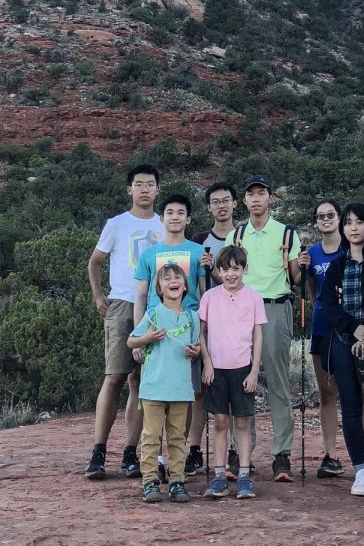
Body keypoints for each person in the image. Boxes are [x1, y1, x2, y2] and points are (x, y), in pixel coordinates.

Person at [85, 164, 164, 480]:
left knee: (142, 383)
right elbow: (95, 261)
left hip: (156, 308)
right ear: (129, 189)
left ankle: (132, 453)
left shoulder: (165, 224)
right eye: (139, 184)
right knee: (115, 376)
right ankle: (98, 452)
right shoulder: (116, 224)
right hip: (122, 304)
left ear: (158, 189)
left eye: (150, 184)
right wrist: (98, 295)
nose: (145, 189)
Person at [225, 175, 304, 482]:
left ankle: (281, 455)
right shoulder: (238, 234)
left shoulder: (286, 233)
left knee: (278, 382)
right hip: (241, 310)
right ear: (244, 201)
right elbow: (230, 275)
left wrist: (303, 264)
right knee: (240, 380)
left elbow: (295, 278)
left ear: (271, 198)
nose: (256, 199)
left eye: (261, 193)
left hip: (275, 307)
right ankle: (239, 452)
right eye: (251, 194)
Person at [134, 194, 209, 482]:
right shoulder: (149, 254)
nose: (175, 217)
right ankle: (154, 466)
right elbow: (141, 296)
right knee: (156, 394)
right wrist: (138, 337)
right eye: (170, 212)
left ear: (189, 218)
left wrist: (202, 337)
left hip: (187, 331)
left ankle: (185, 456)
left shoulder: (198, 251)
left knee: (186, 393)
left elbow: (203, 295)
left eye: (181, 212)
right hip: (156, 333)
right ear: (162, 218)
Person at [319, 203, 364, 496]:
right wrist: (353, 329)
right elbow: (328, 306)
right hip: (343, 343)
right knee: (351, 408)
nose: (353, 227)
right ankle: (361, 470)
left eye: (359, 222)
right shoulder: (337, 266)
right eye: (348, 223)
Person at [128, 263, 200, 503]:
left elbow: (197, 346)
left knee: (178, 436)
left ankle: (177, 481)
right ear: (158, 287)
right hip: (154, 388)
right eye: (166, 278)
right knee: (151, 436)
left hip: (180, 388)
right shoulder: (153, 314)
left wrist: (195, 351)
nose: (173, 280)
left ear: (185, 285)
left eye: (177, 276)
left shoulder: (191, 317)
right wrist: (148, 337)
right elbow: (131, 341)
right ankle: (150, 481)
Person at [199, 246, 267, 499]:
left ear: (245, 269)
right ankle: (219, 476)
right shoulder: (210, 297)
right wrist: (207, 362)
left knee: (242, 421)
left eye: (235, 269)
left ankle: (245, 476)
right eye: (225, 269)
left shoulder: (254, 297)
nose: (230, 274)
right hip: (216, 370)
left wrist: (254, 370)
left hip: (242, 369)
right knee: (219, 421)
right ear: (219, 270)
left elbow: (257, 335)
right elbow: (201, 332)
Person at [185, 182, 239, 477]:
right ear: (208, 207)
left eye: (226, 200)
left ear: (234, 204)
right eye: (215, 201)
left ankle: (234, 451)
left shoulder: (241, 238)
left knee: (234, 382)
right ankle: (194, 449)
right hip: (207, 317)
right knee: (201, 387)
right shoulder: (199, 240)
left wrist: (215, 271)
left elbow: (239, 279)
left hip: (236, 321)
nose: (221, 206)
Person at [307, 199, 344, 478]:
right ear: (316, 223)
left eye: (331, 214)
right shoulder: (312, 254)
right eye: (321, 216)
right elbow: (310, 288)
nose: (326, 219)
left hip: (351, 327)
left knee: (361, 395)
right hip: (321, 327)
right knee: (327, 392)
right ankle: (330, 454)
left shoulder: (352, 247)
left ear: (339, 218)